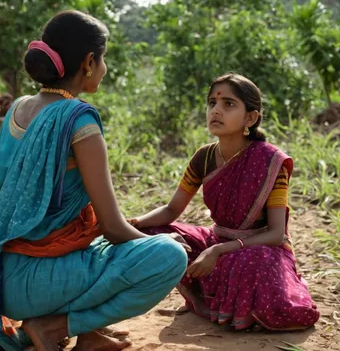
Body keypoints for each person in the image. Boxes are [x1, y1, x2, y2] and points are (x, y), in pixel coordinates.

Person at [0, 10, 188, 351]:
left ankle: (89, 335)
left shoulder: (18, 108)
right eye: (104, 59)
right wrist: (168, 250)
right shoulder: (79, 121)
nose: (104, 69)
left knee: (93, 241)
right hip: (39, 283)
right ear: (89, 62)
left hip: (0, 279)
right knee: (167, 256)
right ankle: (54, 327)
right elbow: (113, 227)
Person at [127, 73, 320, 331]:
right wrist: (133, 223)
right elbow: (173, 209)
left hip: (258, 248)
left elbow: (275, 234)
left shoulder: (271, 161)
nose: (216, 110)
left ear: (250, 118)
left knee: (251, 263)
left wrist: (219, 251)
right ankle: (210, 301)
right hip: (216, 239)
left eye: (228, 104)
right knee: (154, 234)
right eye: (211, 103)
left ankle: (239, 304)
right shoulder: (204, 157)